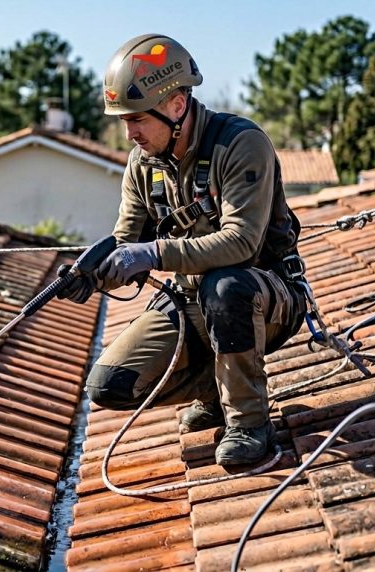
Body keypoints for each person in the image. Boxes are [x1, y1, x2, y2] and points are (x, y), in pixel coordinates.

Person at [59, 34, 307, 466]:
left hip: (265, 296)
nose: (130, 134)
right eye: (124, 122)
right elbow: (127, 243)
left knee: (225, 288)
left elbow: (242, 242)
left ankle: (249, 423)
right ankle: (218, 389)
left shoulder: (241, 144)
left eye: (137, 119)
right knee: (109, 385)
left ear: (176, 105)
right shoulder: (142, 165)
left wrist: (153, 254)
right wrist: (93, 274)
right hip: (191, 300)